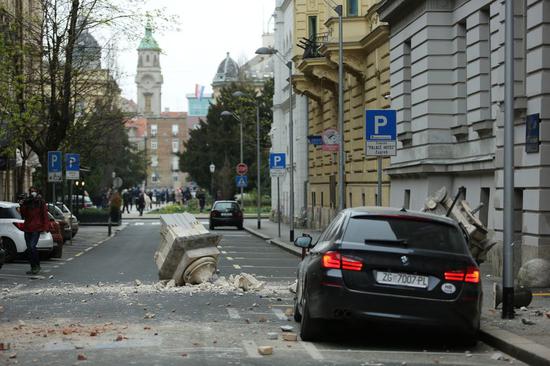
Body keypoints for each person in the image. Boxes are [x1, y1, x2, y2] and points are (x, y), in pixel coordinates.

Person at [19, 187, 49, 275]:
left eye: (34, 191)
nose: (32, 193)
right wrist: (22, 205)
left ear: (37, 192)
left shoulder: (41, 202)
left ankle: (37, 266)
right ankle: (33, 267)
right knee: (29, 249)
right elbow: (23, 215)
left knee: (32, 246)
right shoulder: (27, 201)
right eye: (31, 191)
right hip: (27, 227)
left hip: (36, 228)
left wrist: (46, 227)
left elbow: (45, 215)